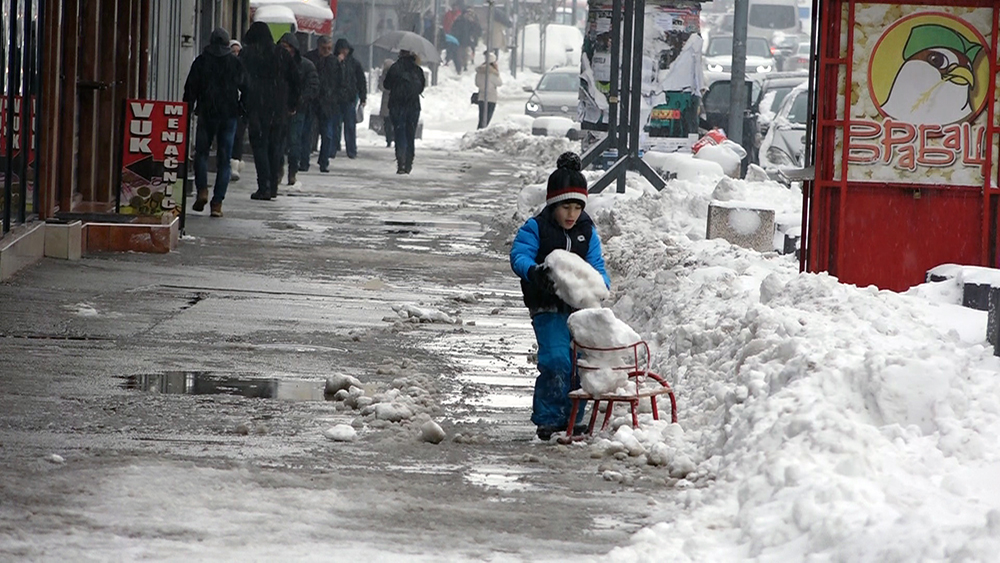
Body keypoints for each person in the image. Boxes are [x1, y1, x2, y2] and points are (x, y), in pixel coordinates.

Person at [509, 152, 611, 441]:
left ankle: (573, 418)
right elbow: (519, 256)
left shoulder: (586, 232)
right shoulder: (536, 228)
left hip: (578, 311)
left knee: (577, 364)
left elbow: (597, 266)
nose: (571, 215)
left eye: (577, 208)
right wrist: (534, 272)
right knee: (555, 361)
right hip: (547, 306)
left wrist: (600, 285)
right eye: (566, 207)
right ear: (553, 203)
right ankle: (549, 417)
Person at [182, 27, 246, 218]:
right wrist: (242, 107)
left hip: (206, 113)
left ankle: (202, 190)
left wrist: (187, 108)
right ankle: (217, 203)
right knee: (224, 160)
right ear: (227, 43)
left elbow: (190, 88)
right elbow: (246, 87)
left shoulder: (201, 61)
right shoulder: (235, 63)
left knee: (201, 153)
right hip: (228, 114)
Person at [240, 21, 300, 200]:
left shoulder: (247, 54)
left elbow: (240, 80)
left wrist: (243, 102)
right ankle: (273, 185)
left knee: (259, 146)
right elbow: (295, 80)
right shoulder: (282, 54)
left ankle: (264, 185)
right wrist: (292, 104)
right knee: (275, 147)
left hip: (257, 107)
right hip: (278, 108)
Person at [279, 33, 319, 185]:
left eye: (287, 47)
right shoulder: (276, 63)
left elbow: (313, 87)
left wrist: (299, 101)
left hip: (297, 110)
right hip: (279, 108)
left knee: (294, 141)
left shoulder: (305, 66)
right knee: (278, 142)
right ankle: (279, 169)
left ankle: (292, 171)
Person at [382, 50, 425, 174]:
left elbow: (387, 85)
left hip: (397, 105)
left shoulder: (395, 68)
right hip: (413, 106)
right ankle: (409, 162)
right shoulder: (417, 70)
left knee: (399, 132)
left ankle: (401, 162)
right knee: (410, 134)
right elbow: (421, 87)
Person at [305, 36, 337, 173]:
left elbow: (339, 81)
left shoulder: (333, 61)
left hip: (327, 102)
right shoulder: (310, 59)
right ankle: (304, 160)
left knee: (327, 134)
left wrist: (335, 96)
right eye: (324, 48)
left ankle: (324, 161)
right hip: (311, 100)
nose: (327, 51)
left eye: (329, 48)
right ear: (318, 46)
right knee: (307, 132)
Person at [331, 38, 367, 160]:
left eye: (345, 49)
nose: (344, 52)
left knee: (350, 126)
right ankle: (333, 148)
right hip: (336, 98)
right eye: (342, 49)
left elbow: (361, 80)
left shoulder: (354, 63)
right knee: (335, 125)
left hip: (349, 98)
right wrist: (337, 63)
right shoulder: (333, 61)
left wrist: (363, 96)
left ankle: (351, 150)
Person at [228, 39, 246, 182]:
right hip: (227, 108)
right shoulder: (226, 65)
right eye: (232, 51)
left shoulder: (243, 67)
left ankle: (235, 163)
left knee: (238, 136)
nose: (235, 54)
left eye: (237, 51)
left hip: (240, 108)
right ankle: (229, 163)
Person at [474, 52, 502, 128]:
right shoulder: (493, 73)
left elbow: (477, 83)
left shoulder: (479, 71)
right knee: (486, 120)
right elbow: (499, 83)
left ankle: (478, 133)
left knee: (481, 119)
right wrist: (497, 72)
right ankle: (480, 134)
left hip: (481, 97)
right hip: (491, 98)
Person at [378, 58, 395, 148]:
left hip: (387, 101)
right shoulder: (396, 74)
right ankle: (391, 138)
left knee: (387, 122)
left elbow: (381, 87)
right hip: (393, 101)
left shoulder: (384, 76)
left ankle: (389, 139)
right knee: (391, 121)